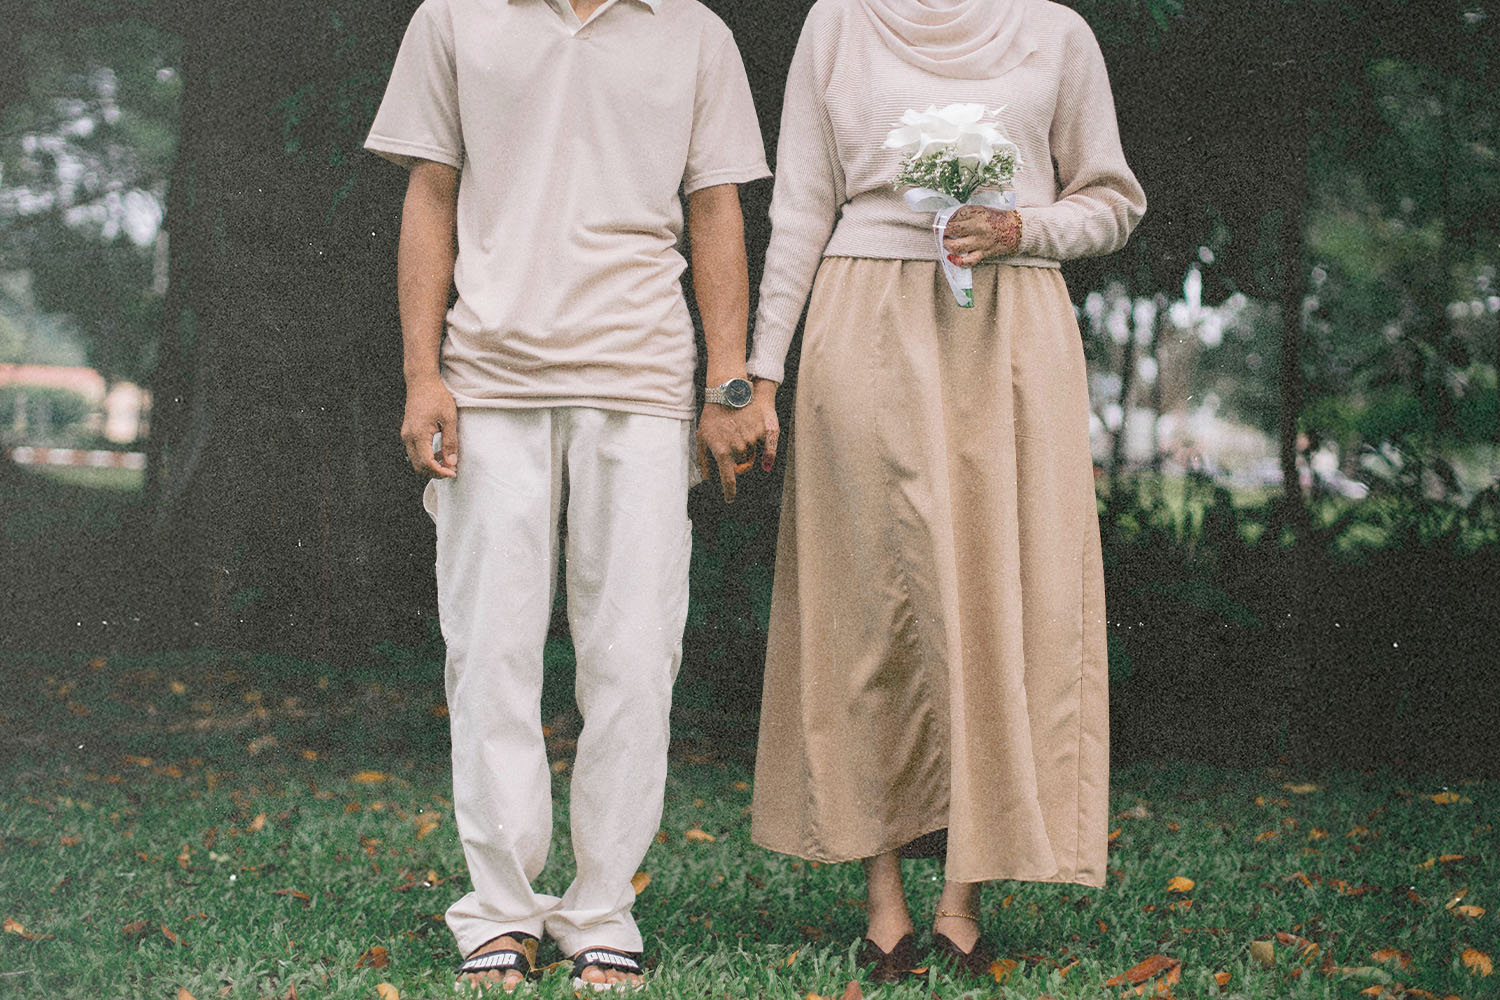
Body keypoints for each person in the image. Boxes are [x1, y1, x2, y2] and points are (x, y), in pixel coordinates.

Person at [364, 0, 772, 990]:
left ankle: (600, 909)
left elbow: (717, 209)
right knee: (490, 647)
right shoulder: (454, 19)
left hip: (640, 379)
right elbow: (431, 192)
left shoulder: (697, 35)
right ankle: (500, 910)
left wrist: (728, 384)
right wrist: (424, 374)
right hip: (489, 378)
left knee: (634, 652)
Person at [746, 0, 1146, 982]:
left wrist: (1022, 224)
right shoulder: (837, 23)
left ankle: (964, 895)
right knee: (871, 599)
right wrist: (761, 370)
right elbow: (800, 203)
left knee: (997, 600)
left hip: (1006, 325)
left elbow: (1113, 199)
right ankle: (883, 897)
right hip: (864, 314)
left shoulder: (1055, 32)